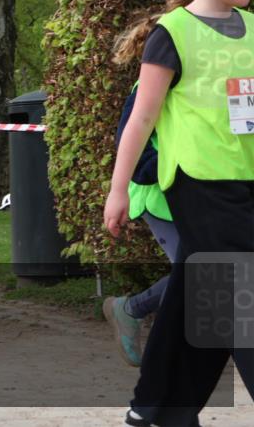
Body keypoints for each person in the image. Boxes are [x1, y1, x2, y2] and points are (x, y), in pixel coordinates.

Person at [103, 0, 254, 427]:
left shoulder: (253, 30)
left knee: (200, 297)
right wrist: (118, 189)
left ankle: (156, 409)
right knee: (237, 290)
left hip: (246, 180)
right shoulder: (172, 32)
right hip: (198, 182)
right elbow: (140, 119)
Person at [102, 85, 179, 367]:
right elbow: (133, 138)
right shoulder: (155, 76)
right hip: (161, 196)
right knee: (204, 272)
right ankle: (133, 309)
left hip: (208, 193)